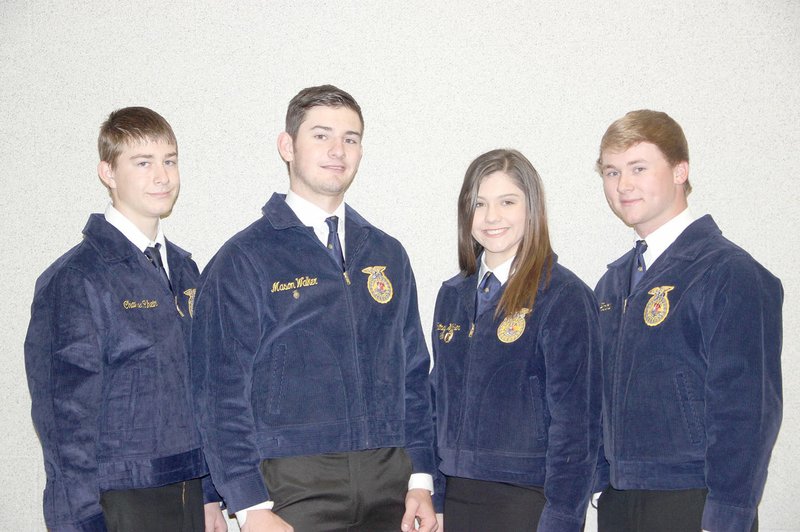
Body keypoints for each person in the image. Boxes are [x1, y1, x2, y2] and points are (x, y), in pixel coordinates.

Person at [191, 85, 437, 532]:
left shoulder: (388, 254)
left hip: (390, 482)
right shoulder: (244, 259)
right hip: (293, 485)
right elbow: (219, 391)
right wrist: (248, 505)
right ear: (287, 146)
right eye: (321, 135)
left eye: (351, 138)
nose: (337, 150)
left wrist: (421, 478)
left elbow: (413, 377)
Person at [24, 107, 226, 532]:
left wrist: (210, 495)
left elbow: (202, 390)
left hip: (189, 493)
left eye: (170, 160)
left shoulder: (187, 273)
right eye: (143, 162)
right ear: (108, 173)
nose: (162, 176)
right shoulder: (78, 278)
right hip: (119, 501)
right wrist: (79, 521)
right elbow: (64, 421)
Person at [594, 109, 783, 532]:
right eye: (611, 172)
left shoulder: (728, 272)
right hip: (620, 502)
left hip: (693, 502)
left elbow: (748, 413)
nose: (623, 185)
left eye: (638, 168)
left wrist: (729, 514)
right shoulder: (611, 285)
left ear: (680, 171)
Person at [430, 149, 602, 531]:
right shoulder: (452, 296)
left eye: (507, 202)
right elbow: (436, 403)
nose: (492, 217)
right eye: (479, 204)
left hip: (526, 501)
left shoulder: (563, 296)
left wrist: (562, 519)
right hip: (456, 500)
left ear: (531, 209)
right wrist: (435, 496)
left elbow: (577, 426)